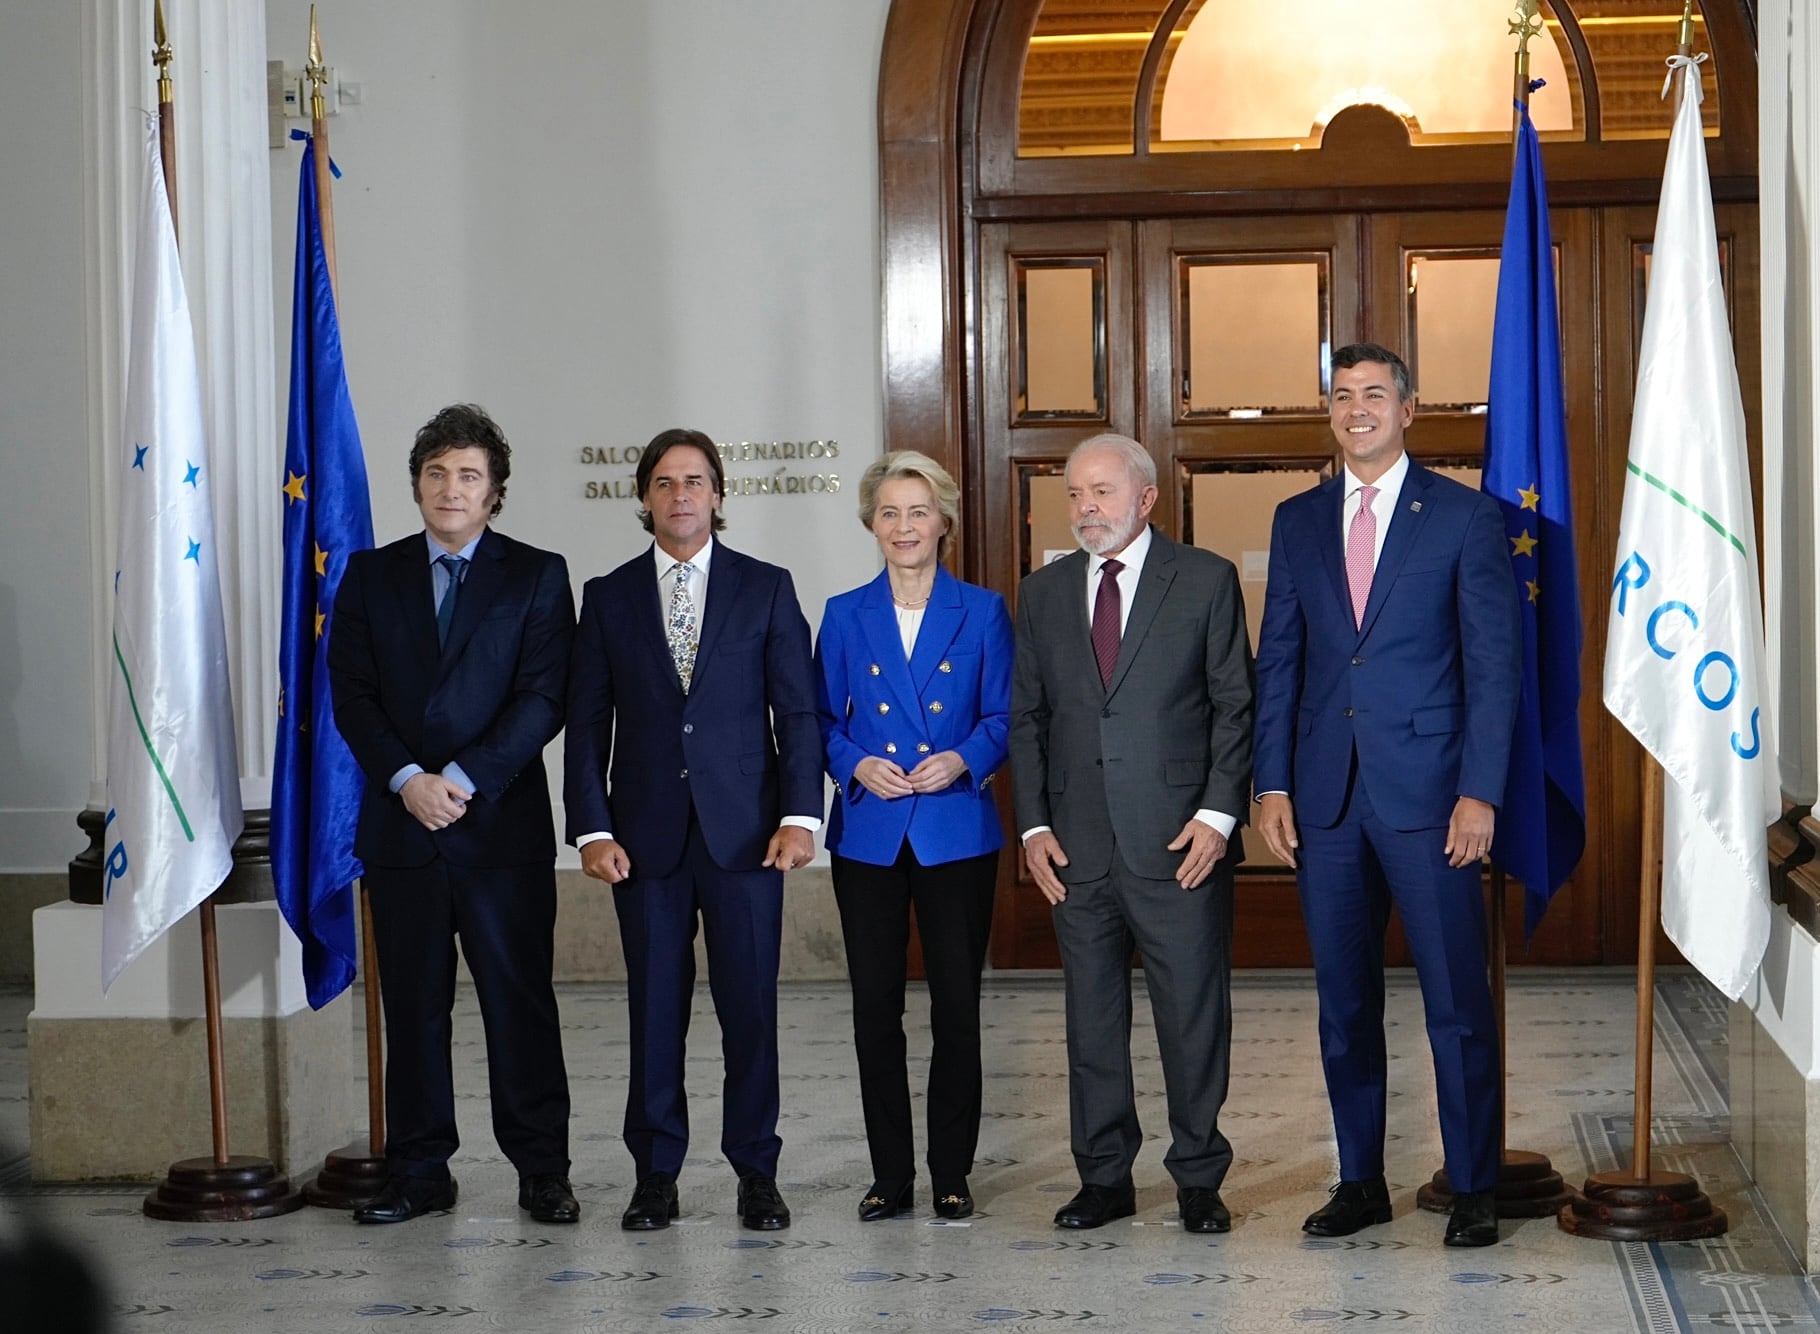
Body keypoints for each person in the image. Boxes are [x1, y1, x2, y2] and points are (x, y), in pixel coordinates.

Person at [1252, 342, 1522, 1249]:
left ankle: (1475, 1185)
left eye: (1374, 394)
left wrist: (1481, 793)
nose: (1356, 408)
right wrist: (1273, 781)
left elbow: (1494, 666)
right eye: (1341, 395)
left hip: (1433, 797)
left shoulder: (1463, 518)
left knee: (1455, 1001)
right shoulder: (1296, 520)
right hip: (1325, 801)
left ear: (1410, 409)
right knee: (1343, 1003)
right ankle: (1360, 1180)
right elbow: (1279, 658)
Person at [564, 427, 822, 1232]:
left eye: (697, 481)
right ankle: (655, 1178)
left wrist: (800, 815)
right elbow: (585, 727)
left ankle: (756, 1173)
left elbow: (799, 712)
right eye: (666, 482)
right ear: (644, 497)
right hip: (643, 845)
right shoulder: (607, 597)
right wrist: (590, 831)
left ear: (718, 495)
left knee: (750, 1012)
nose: (682, 494)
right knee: (653, 1014)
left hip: (749, 839)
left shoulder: (767, 587)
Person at [328, 403, 577, 1225]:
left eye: (468, 475)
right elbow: (352, 695)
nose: (450, 488)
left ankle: (542, 1169)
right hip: (404, 827)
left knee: (520, 1003)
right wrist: (407, 778)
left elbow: (545, 697)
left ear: (494, 493)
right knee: (414, 1007)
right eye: (436, 472)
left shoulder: (538, 574)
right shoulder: (370, 575)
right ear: (417, 484)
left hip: (497, 829)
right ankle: (421, 1172)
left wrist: (461, 778)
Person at [1009, 433, 1255, 1234]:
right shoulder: (1042, 593)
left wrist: (1219, 816)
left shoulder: (1206, 580)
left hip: (1181, 841)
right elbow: (1029, 719)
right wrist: (1035, 825)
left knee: (1191, 1018)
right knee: (1092, 1021)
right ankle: (1104, 1177)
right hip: (1077, 848)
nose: (1086, 508)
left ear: (1145, 500)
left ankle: (1197, 1179)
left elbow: (1234, 706)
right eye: (1076, 494)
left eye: (1102, 493)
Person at [814, 451, 1013, 1222]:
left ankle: (951, 1172)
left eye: (919, 511)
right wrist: (857, 761)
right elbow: (822, 722)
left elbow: (1003, 717)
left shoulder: (983, 610)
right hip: (868, 834)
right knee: (875, 1010)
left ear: (945, 524)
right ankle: (890, 1173)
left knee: (957, 1009)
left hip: (955, 829)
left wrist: (962, 757)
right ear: (871, 522)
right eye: (890, 513)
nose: (904, 527)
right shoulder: (842, 613)